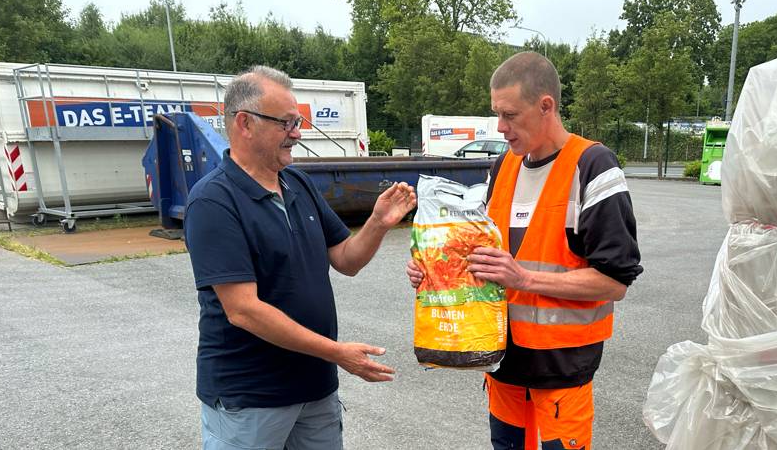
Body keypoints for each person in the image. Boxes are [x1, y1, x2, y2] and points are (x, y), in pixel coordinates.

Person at [407, 52, 643, 450]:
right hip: (500, 362)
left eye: (510, 115)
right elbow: (479, 253)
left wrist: (524, 278)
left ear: (545, 105)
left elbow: (615, 281)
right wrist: (434, 270)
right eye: (496, 114)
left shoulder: (593, 167)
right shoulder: (503, 167)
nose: (501, 128)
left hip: (561, 370)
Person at [185, 65, 416, 450]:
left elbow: (346, 259)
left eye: (298, 121)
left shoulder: (298, 183)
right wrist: (337, 353)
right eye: (287, 123)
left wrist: (378, 222)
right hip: (250, 399)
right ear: (245, 123)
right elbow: (243, 310)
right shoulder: (214, 201)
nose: (298, 133)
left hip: (315, 389)